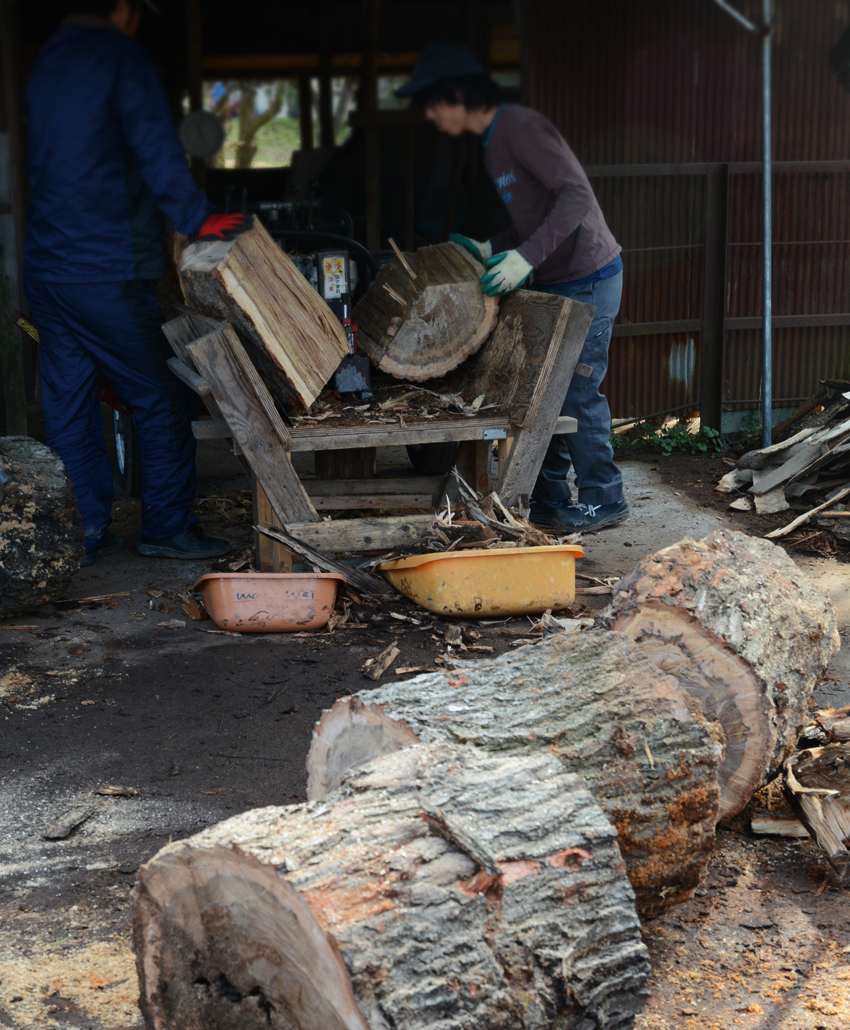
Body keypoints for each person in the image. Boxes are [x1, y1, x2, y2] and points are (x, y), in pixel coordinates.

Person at [23, 0, 249, 565]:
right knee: (164, 394)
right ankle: (168, 527)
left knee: (69, 404)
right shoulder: (120, 57)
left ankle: (83, 531)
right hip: (104, 268)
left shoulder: (46, 62)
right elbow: (156, 149)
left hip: (48, 270)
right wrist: (198, 219)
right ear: (123, 9)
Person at [397, 42, 628, 531]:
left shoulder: (521, 127)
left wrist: (526, 257)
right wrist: (493, 245)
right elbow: (535, 217)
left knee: (577, 396)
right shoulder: (491, 144)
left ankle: (604, 500)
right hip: (556, 279)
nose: (433, 117)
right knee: (541, 397)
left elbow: (576, 196)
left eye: (435, 105)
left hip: (588, 278)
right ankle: (547, 502)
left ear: (460, 94)